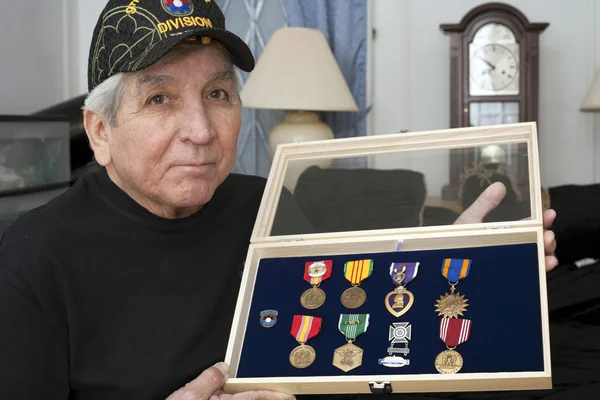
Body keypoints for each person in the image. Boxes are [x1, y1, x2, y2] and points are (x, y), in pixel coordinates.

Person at [0, 1, 558, 399]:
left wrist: (442, 269)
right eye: (160, 98)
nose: (200, 129)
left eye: (218, 93)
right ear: (100, 131)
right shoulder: (34, 255)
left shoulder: (267, 205)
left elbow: (354, 345)